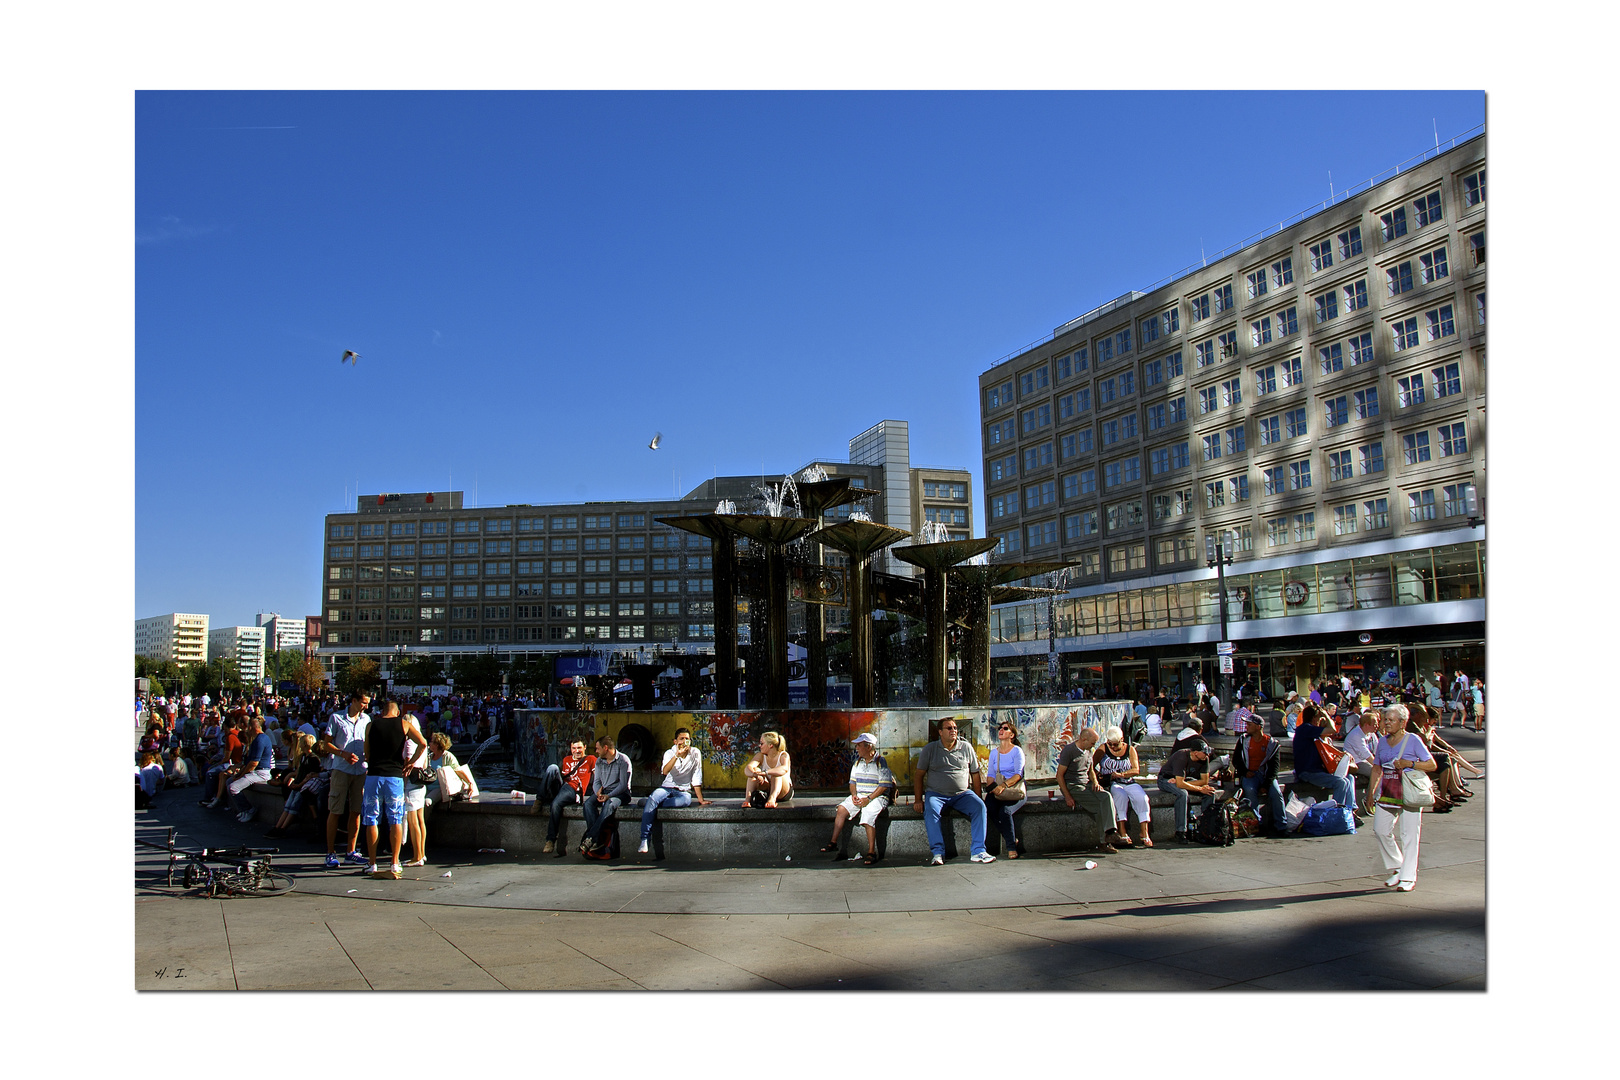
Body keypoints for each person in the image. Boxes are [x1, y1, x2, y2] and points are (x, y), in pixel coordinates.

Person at [1366, 703, 1436, 891]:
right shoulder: (1381, 741)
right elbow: (1376, 768)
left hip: (1408, 790)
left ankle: (1408, 877)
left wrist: (1409, 763)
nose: (1386, 723)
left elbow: (1431, 764)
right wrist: (1370, 793)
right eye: (1385, 720)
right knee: (1380, 830)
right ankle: (1398, 866)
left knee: (1409, 835)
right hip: (1388, 791)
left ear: (1403, 722)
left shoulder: (1413, 740)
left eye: (1391, 720)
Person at [360, 700, 428, 880]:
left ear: (383, 712)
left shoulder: (371, 725)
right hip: (395, 778)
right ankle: (395, 861)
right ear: (397, 712)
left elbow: (366, 753)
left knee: (372, 819)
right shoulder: (404, 724)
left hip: (374, 776)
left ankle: (372, 863)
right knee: (395, 819)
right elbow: (422, 743)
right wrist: (411, 763)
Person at [913, 719, 994, 865]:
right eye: (949, 728)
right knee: (930, 810)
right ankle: (937, 853)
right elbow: (919, 775)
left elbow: (975, 774)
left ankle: (978, 851)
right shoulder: (930, 749)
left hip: (962, 794)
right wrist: (918, 799)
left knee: (979, 807)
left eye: (955, 728)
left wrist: (978, 797)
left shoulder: (966, 747)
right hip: (936, 794)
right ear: (940, 732)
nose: (953, 730)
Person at [317, 691, 373, 870]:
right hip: (341, 768)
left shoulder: (366, 720)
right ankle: (330, 851)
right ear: (354, 701)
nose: (366, 706)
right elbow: (326, 744)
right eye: (363, 702)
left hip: (360, 770)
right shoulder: (336, 718)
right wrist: (343, 753)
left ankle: (351, 851)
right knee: (336, 810)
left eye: (367, 703)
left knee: (356, 810)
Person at [821, 733, 895, 864]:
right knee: (842, 809)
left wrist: (869, 798)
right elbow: (852, 783)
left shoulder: (880, 762)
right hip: (861, 795)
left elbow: (884, 786)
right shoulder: (857, 763)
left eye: (859, 745)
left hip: (876, 797)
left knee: (868, 815)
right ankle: (833, 843)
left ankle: (871, 851)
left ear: (868, 747)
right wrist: (854, 795)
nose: (857, 749)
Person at [637, 727, 710, 855]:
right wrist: (677, 755)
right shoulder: (669, 753)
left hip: (683, 790)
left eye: (687, 739)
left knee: (685, 801)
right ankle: (644, 839)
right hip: (667, 787)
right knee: (655, 796)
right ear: (675, 741)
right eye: (681, 739)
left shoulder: (695, 753)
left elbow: (696, 776)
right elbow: (665, 771)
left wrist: (700, 799)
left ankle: (649, 803)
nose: (684, 741)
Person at [1055, 728, 1119, 852]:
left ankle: (1110, 833)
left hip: (1087, 784)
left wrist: (1095, 782)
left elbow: (1090, 771)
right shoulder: (1069, 751)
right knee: (1101, 807)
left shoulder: (1088, 750)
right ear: (1084, 739)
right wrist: (1067, 796)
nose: (1093, 745)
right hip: (1074, 786)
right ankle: (1104, 842)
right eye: (1092, 743)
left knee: (1106, 796)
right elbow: (1059, 775)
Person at [1095, 726, 1152, 848]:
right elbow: (1091, 766)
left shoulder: (1130, 749)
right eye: (1110, 744)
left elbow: (1136, 769)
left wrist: (1122, 774)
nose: (1113, 747)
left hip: (1128, 781)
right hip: (1112, 783)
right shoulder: (1103, 749)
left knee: (1142, 798)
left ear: (1122, 739)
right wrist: (1098, 777)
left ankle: (1144, 832)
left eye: (1115, 744)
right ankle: (1122, 831)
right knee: (1120, 796)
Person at [1291, 704, 1356, 810]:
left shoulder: (1312, 732)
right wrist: (1326, 714)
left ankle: (1350, 810)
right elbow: (1333, 730)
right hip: (1308, 772)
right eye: (1319, 717)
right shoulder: (1305, 729)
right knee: (1340, 783)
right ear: (1314, 718)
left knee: (1349, 778)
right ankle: (1336, 813)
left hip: (1318, 770)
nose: (1321, 720)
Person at [539, 739, 596, 856]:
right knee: (552, 768)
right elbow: (564, 778)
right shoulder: (566, 759)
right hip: (564, 787)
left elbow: (597, 777)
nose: (577, 751)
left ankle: (550, 840)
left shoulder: (590, 759)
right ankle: (539, 799)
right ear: (571, 749)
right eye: (574, 748)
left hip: (574, 790)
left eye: (579, 748)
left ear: (585, 747)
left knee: (555, 804)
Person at [1232, 713, 1285, 833]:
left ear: (1258, 727)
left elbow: (1274, 767)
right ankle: (1256, 824)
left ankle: (1281, 825)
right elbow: (1236, 760)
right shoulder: (1243, 741)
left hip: (1266, 776)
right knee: (1250, 790)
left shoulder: (1272, 743)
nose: (1246, 727)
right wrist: (1245, 772)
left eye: (1249, 724)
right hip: (1249, 775)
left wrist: (1266, 785)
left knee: (1276, 793)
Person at [1157, 736, 1215, 842]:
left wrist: (1185, 782)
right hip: (1166, 779)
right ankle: (1181, 832)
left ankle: (1206, 828)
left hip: (1183, 779)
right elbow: (1179, 785)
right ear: (1195, 752)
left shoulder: (1204, 759)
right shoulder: (1181, 756)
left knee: (1210, 792)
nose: (1207, 755)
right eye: (1205, 752)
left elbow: (1204, 781)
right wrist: (1198, 789)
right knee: (1182, 794)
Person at [983, 721, 1028, 858]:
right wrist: (993, 788)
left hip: (1014, 791)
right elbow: (990, 775)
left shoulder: (1017, 751)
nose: (1001, 730)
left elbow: (1018, 774)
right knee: (988, 807)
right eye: (1000, 728)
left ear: (1012, 735)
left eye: (1005, 728)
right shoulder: (993, 753)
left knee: (1005, 812)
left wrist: (1003, 786)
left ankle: (1011, 847)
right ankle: (1011, 837)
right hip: (998, 790)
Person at [581, 735, 631, 857]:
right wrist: (597, 791)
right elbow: (597, 781)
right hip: (604, 791)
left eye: (598, 748)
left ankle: (591, 838)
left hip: (620, 793)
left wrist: (608, 796)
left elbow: (623, 785)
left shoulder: (623, 761)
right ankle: (596, 840)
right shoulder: (599, 761)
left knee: (609, 804)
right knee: (588, 804)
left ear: (606, 748)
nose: (596, 751)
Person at [742, 730, 793, 808]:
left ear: (770, 745)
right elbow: (748, 769)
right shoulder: (761, 756)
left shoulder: (783, 755)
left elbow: (784, 769)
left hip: (784, 791)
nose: (759, 746)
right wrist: (755, 774)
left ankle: (772, 799)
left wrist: (766, 772)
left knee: (776, 774)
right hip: (768, 788)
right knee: (755, 771)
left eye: (762, 744)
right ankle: (748, 800)